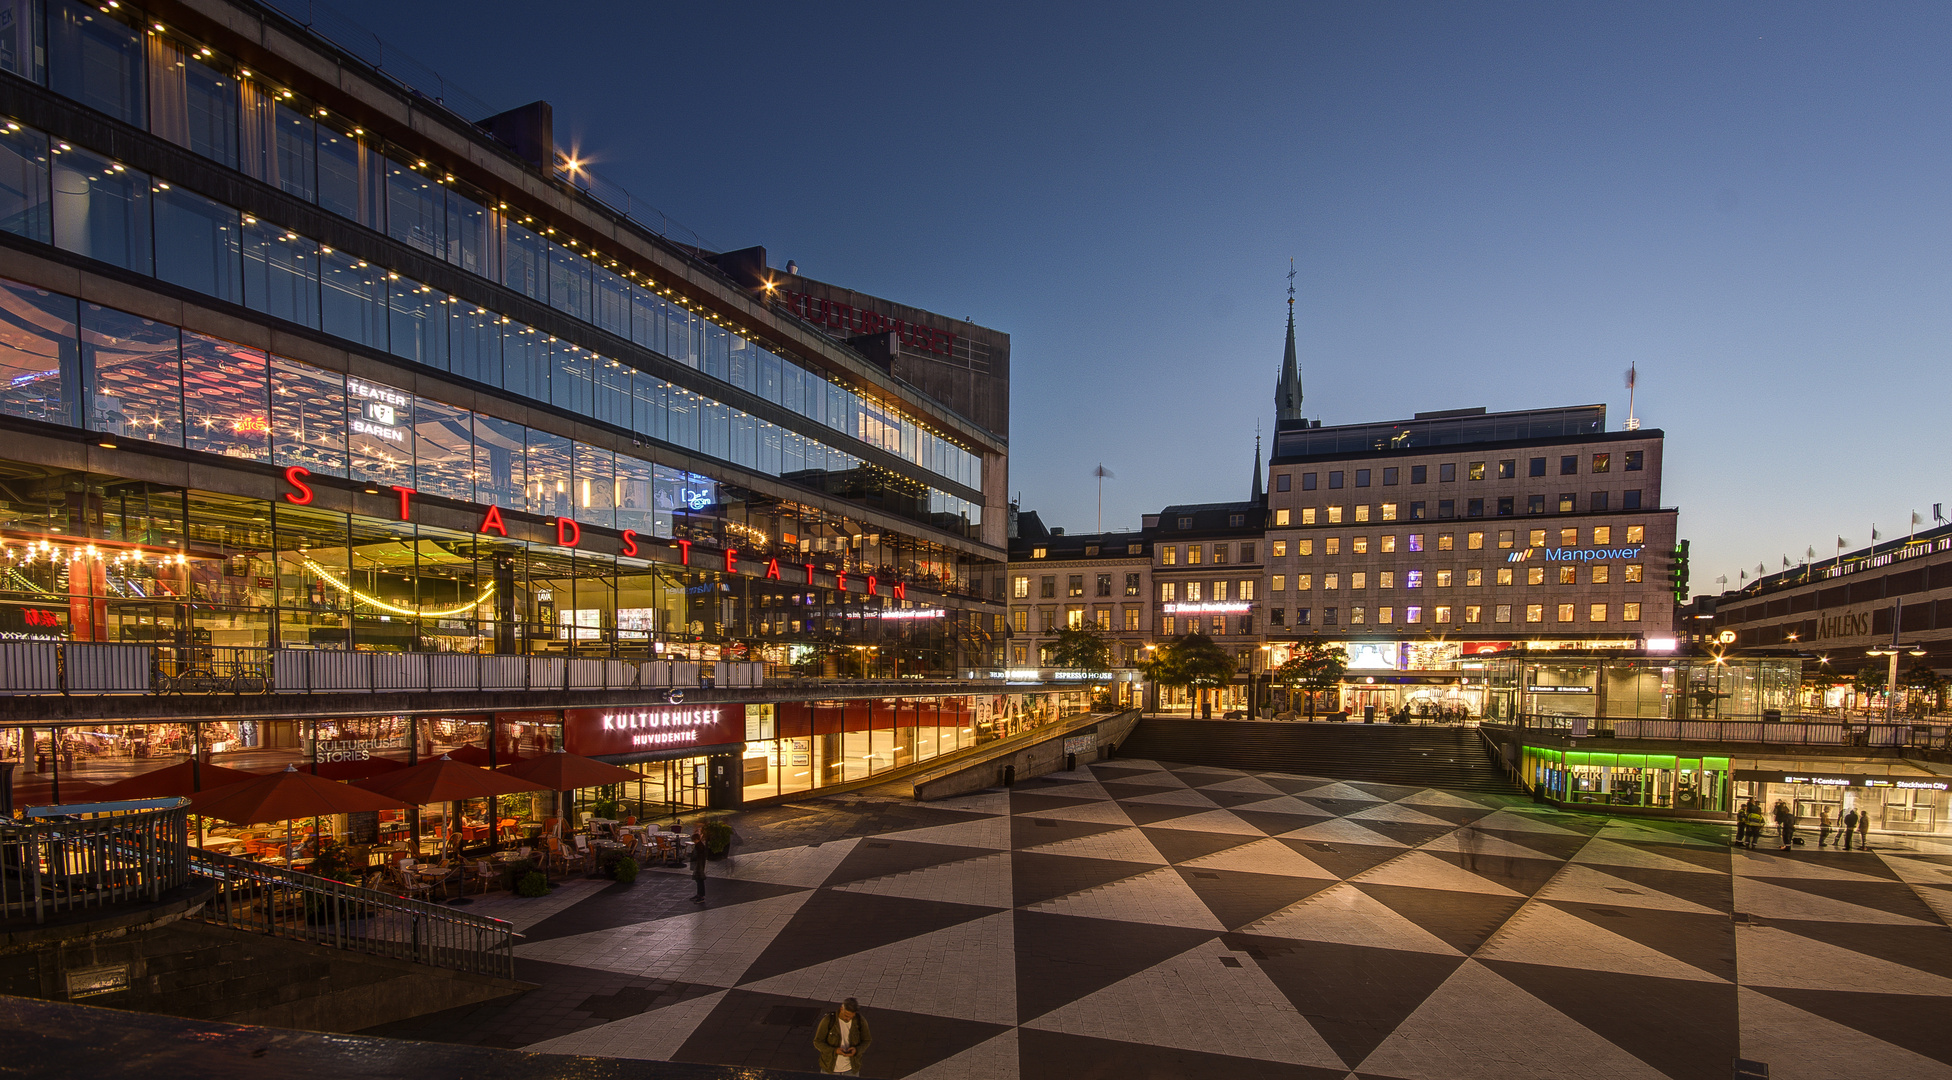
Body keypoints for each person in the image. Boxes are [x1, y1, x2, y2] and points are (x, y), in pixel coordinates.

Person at [813, 997, 872, 1075]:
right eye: (846, 1015)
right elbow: (817, 1042)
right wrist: (834, 1051)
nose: (848, 1018)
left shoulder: (860, 1020)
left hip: (851, 1069)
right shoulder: (829, 1020)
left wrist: (857, 1050)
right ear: (841, 1009)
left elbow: (867, 1040)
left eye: (851, 1017)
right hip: (830, 1068)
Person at [689, 826, 708, 902]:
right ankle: (699, 894)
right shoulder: (699, 846)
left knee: (700, 881)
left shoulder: (699, 847)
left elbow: (697, 856)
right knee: (699, 881)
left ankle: (701, 896)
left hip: (699, 866)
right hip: (699, 865)